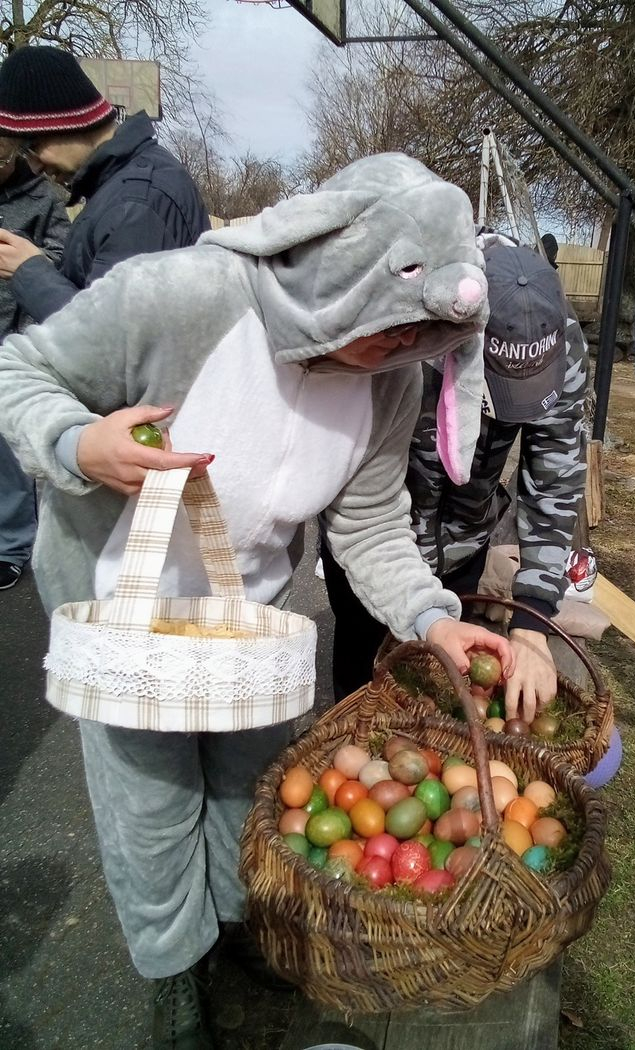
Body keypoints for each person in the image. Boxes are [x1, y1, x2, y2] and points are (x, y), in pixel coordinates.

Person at [0, 152, 513, 1050]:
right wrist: (79, 444)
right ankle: (173, 976)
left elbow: (371, 526)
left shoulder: (389, 380)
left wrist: (435, 617)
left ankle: (238, 941)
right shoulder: (178, 298)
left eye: (421, 340)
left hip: (249, 620)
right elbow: (20, 371)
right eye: (393, 330)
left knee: (252, 791)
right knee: (151, 807)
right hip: (124, 609)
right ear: (348, 273)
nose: (400, 353)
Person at [322, 234, 588, 722]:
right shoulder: (409, 330)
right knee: (363, 688)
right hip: (375, 547)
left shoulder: (562, 343)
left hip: (464, 540)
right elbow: (358, 482)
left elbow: (555, 479)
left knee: (446, 693)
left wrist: (532, 617)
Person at [0, 45, 210, 322]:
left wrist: (29, 272)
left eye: (33, 147)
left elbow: (110, 343)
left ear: (66, 124)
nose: (36, 167)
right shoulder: (120, 188)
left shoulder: (136, 203)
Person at [0, 134, 70, 588]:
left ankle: (9, 546)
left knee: (8, 450)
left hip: (14, 338)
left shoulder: (42, 197)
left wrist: (29, 262)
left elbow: (66, 260)